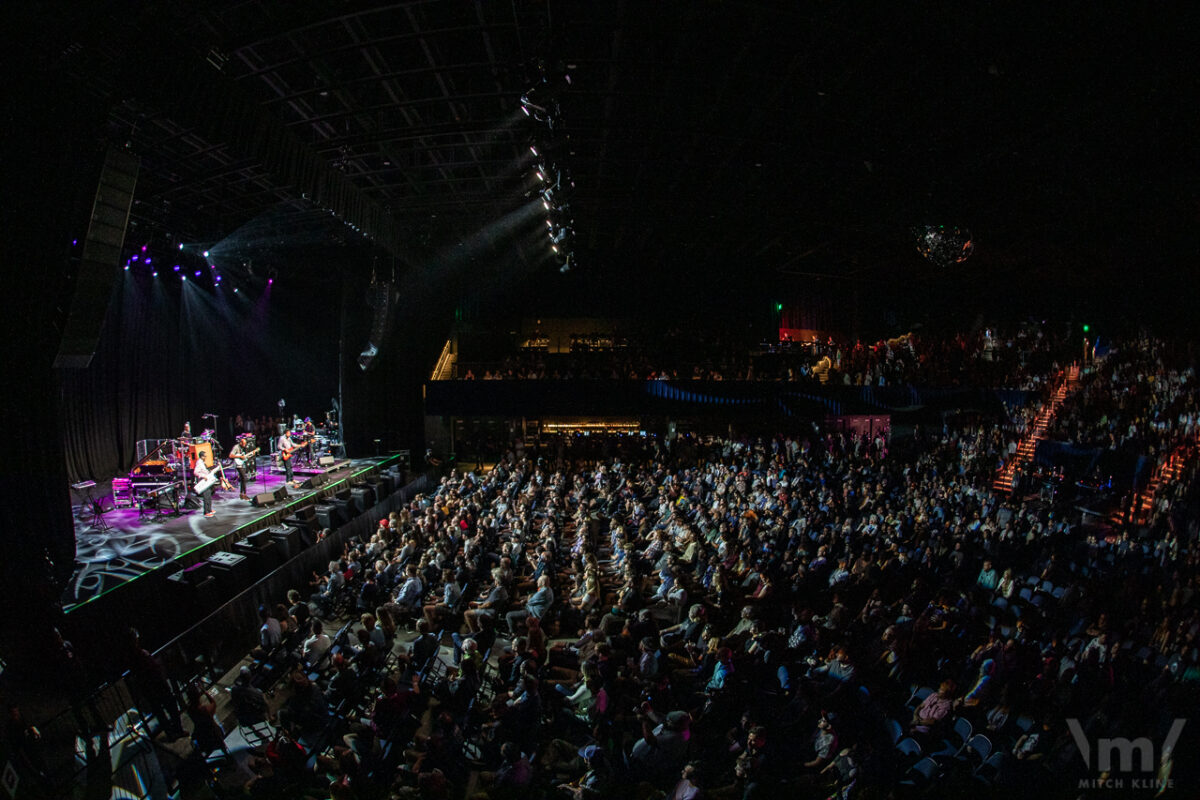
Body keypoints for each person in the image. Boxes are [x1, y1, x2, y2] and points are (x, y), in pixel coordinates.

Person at [229, 433, 257, 500]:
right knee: (244, 478)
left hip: (242, 464)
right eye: (243, 444)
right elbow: (231, 455)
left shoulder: (243, 448)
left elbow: (245, 457)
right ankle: (244, 494)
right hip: (238, 465)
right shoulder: (236, 447)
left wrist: (251, 454)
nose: (244, 445)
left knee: (242, 479)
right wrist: (239, 456)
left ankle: (242, 494)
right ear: (241, 443)